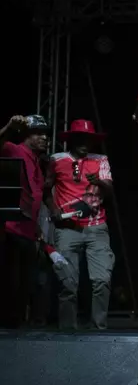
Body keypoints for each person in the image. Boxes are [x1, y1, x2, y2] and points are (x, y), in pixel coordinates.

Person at [43, 119, 115, 330]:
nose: (85, 143)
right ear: (72, 140)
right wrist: (52, 209)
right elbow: (46, 188)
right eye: (81, 139)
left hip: (97, 228)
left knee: (102, 280)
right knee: (68, 284)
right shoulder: (57, 160)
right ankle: (68, 333)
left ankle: (98, 329)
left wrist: (98, 182)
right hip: (67, 229)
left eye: (89, 139)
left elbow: (109, 191)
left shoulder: (101, 160)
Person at [0, 115, 49, 328]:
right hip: (12, 229)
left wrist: (37, 227)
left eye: (45, 134)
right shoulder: (15, 149)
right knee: (11, 283)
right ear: (26, 136)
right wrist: (9, 127)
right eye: (38, 133)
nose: (44, 138)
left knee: (25, 286)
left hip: (28, 230)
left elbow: (33, 197)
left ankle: (17, 329)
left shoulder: (37, 161)